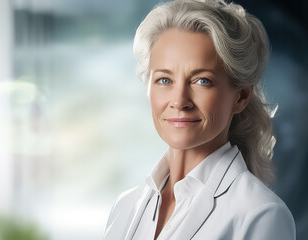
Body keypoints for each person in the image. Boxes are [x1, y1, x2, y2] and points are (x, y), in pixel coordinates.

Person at [104, 0, 296, 239]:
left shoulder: (261, 215)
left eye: (201, 81)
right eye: (165, 80)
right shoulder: (125, 207)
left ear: (241, 96)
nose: (179, 100)